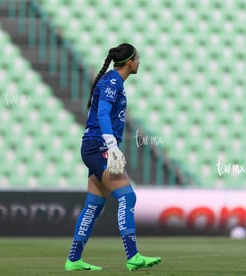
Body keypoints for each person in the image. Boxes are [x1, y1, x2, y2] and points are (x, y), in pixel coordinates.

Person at [64, 43, 161, 271]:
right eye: (137, 58)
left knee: (94, 205)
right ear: (129, 62)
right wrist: (111, 144)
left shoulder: (113, 81)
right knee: (128, 197)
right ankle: (133, 255)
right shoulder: (113, 82)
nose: (139, 62)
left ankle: (73, 259)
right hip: (99, 146)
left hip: (93, 145)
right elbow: (103, 113)